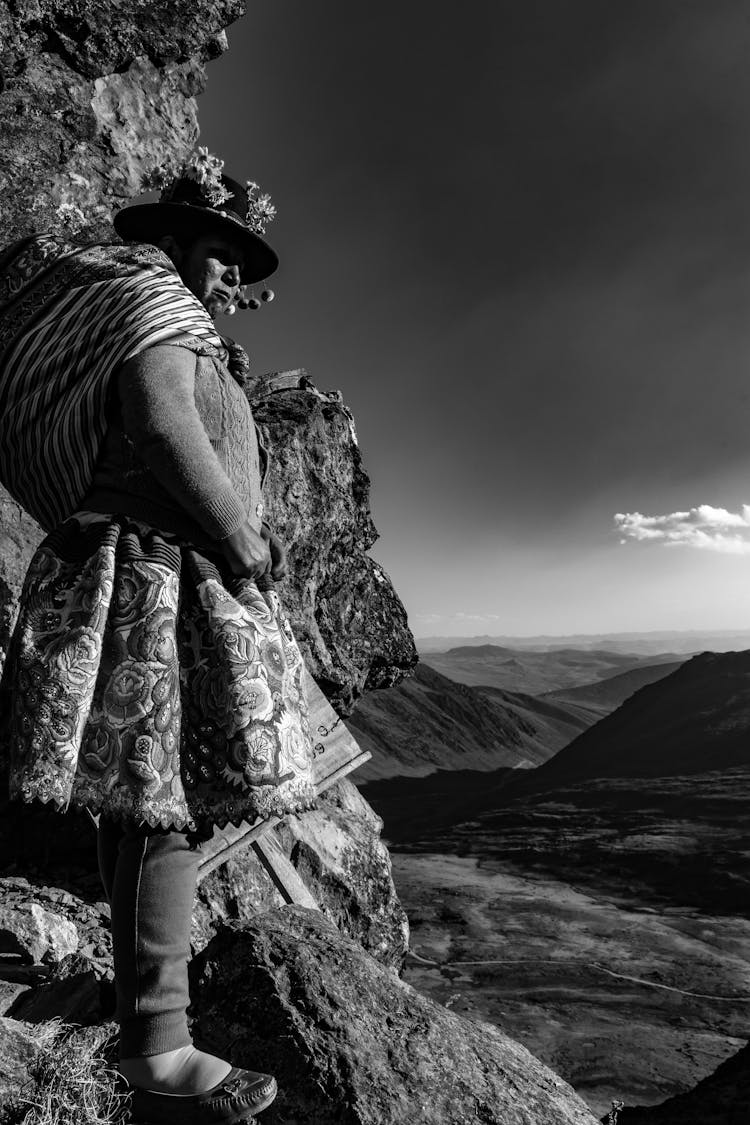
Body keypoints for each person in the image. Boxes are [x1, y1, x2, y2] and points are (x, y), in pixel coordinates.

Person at [0, 150, 345, 1122]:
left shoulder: (147, 314)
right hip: (157, 568)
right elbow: (157, 416)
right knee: (166, 802)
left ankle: (144, 1010)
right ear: (179, 246)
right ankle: (158, 1044)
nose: (234, 278)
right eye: (224, 256)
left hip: (131, 560)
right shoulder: (155, 309)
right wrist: (240, 534)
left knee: (139, 802)